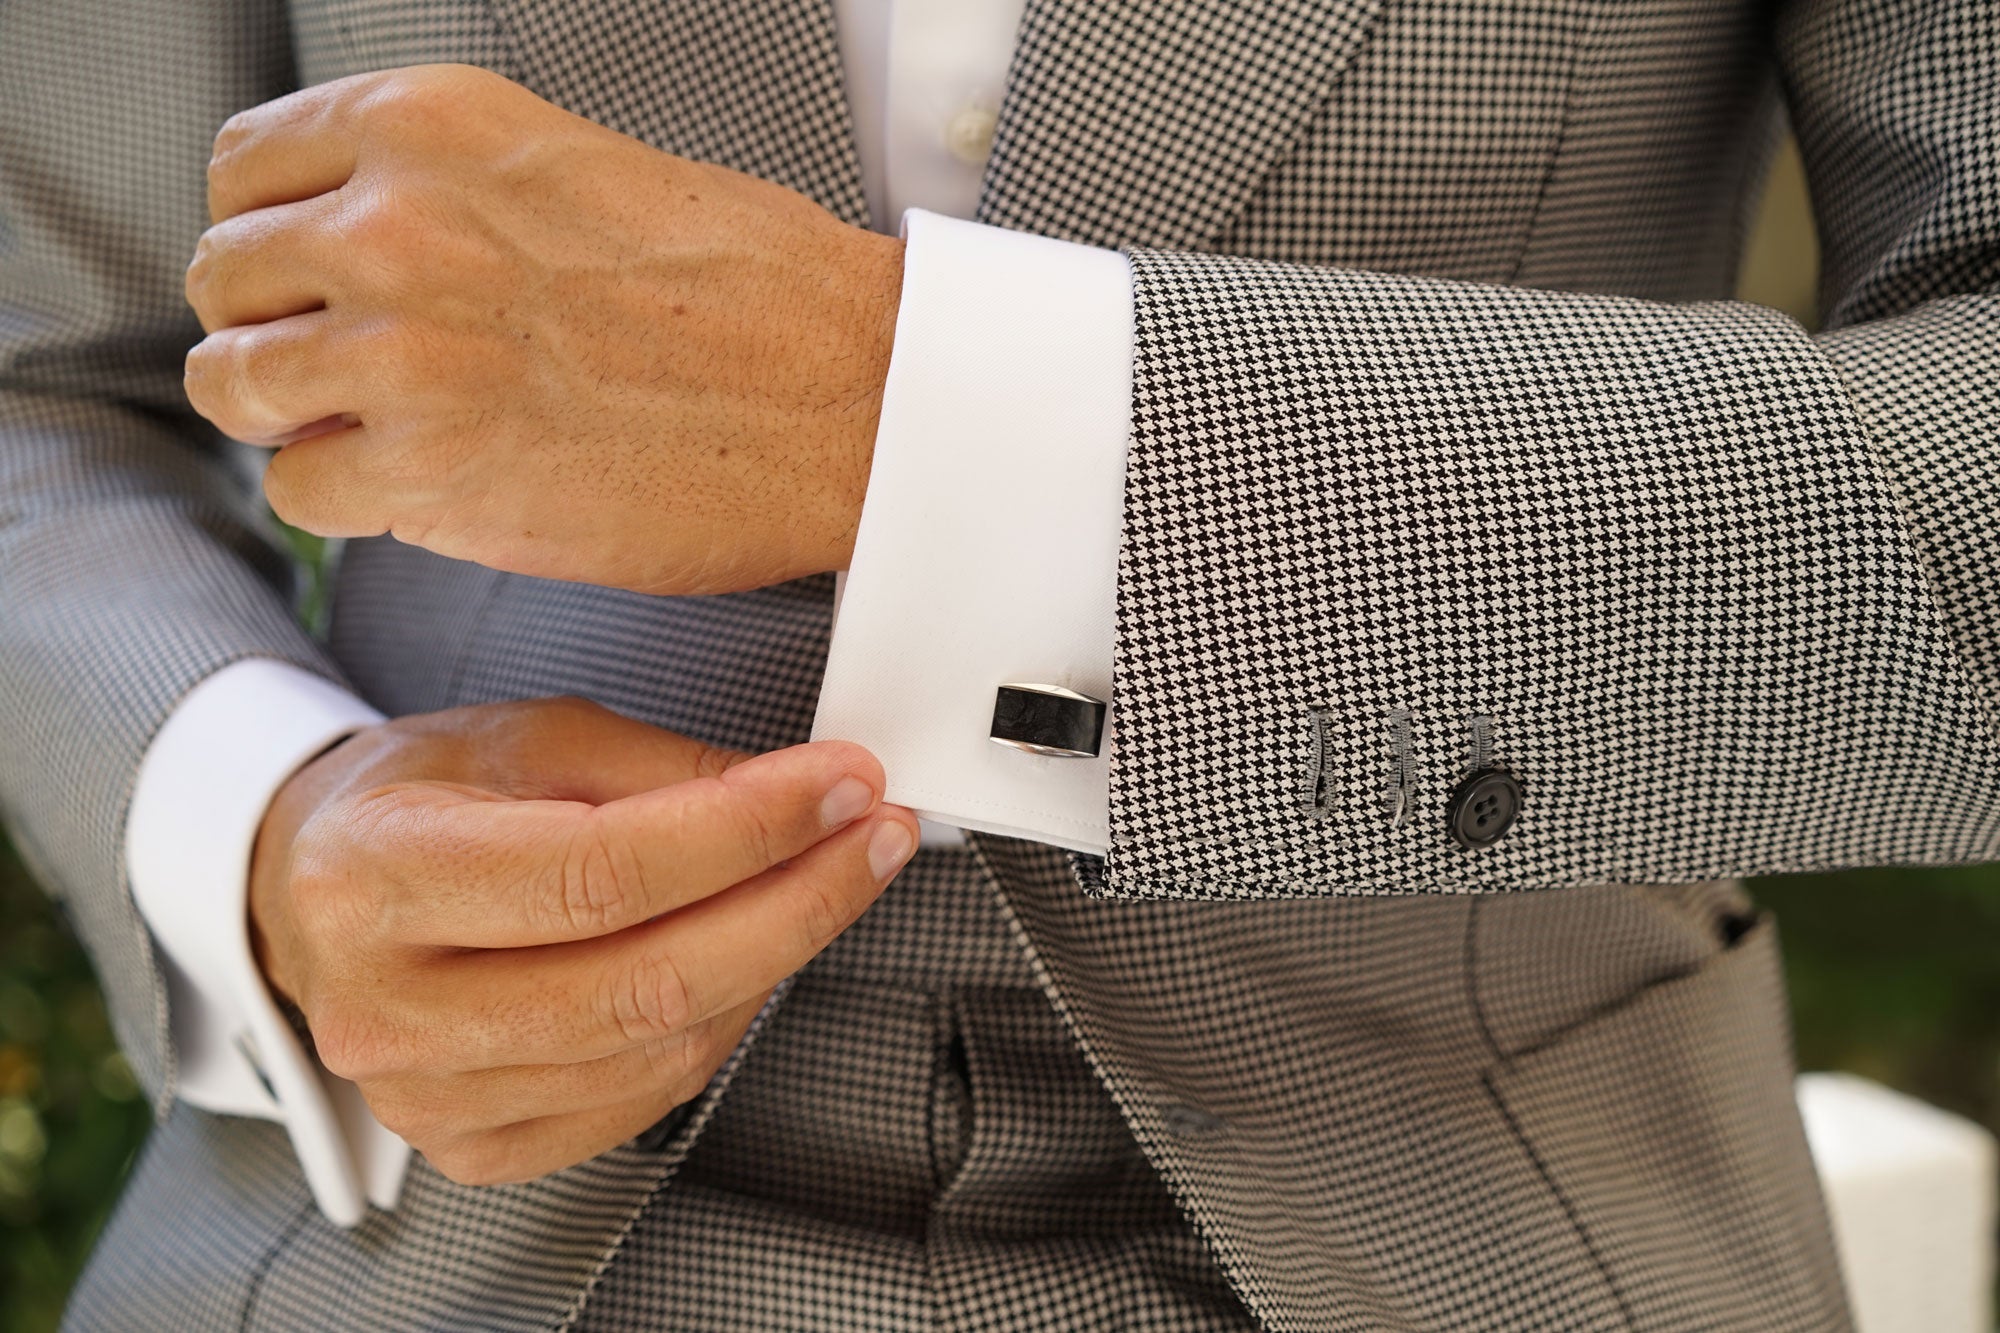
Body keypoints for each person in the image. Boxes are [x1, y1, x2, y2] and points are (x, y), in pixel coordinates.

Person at [2, 0, 1993, 1326]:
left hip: (1464, 1208)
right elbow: (43, 383)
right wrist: (257, 822)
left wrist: (922, 418)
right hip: (425, 1224)